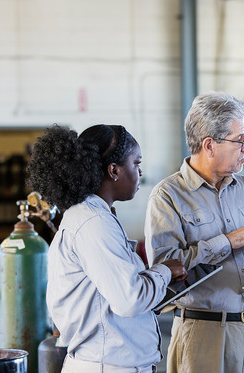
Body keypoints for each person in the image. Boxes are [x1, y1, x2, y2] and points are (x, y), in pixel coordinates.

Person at [144, 92, 244, 373]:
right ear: (209, 145)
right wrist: (227, 241)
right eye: (240, 139)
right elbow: (164, 272)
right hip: (204, 336)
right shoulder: (168, 196)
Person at [27, 124, 188, 373]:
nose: (140, 171)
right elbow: (129, 299)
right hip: (105, 366)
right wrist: (164, 271)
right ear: (113, 170)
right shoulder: (93, 222)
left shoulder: (95, 216)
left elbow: (114, 295)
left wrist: (156, 285)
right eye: (136, 163)